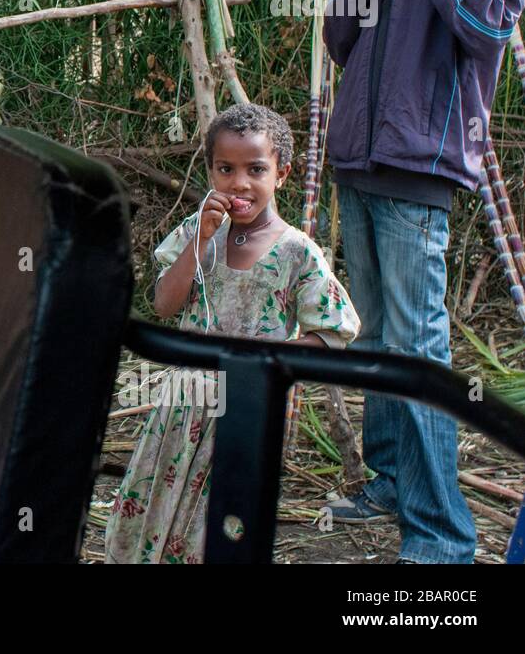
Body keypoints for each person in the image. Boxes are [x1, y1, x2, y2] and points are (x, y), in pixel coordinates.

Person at [321, 0, 525, 563]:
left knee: (417, 346)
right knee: (375, 335)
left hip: (420, 169)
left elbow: (487, 29)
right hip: (358, 163)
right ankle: (387, 481)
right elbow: (340, 42)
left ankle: (442, 535)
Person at [105, 104, 359, 564]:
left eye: (256, 169)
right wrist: (201, 240)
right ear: (210, 172)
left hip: (247, 416)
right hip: (182, 407)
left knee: (220, 521)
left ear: (281, 175)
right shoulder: (197, 233)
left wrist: (265, 364)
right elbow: (164, 304)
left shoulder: (297, 253)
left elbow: (335, 333)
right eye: (226, 169)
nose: (239, 183)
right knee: (156, 509)